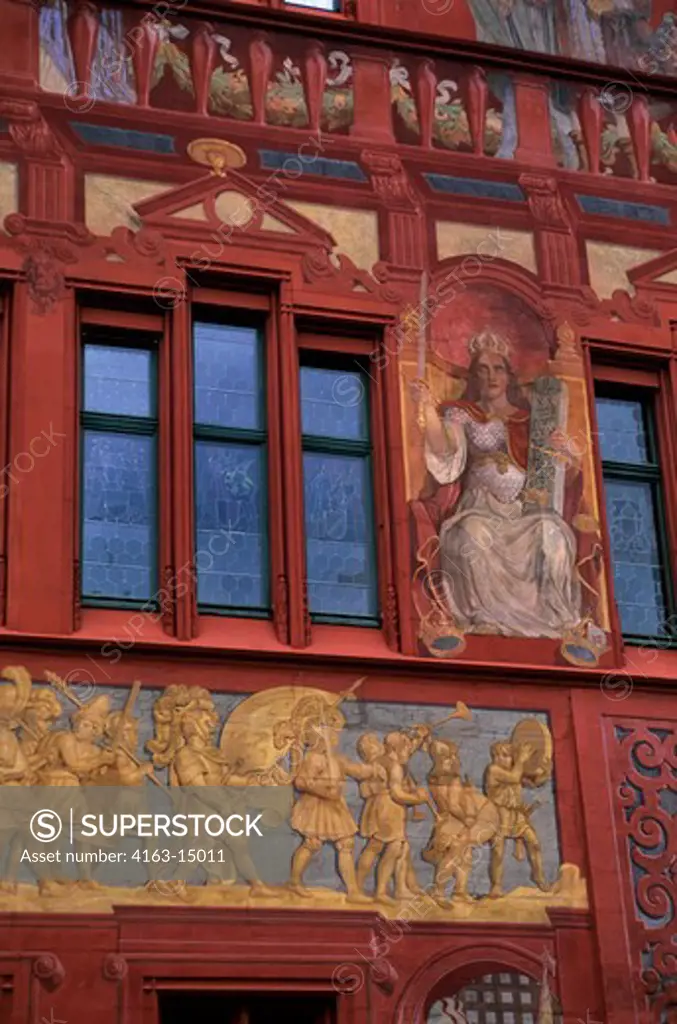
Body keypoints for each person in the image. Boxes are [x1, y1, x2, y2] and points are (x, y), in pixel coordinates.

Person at [413, 330, 581, 639]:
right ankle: (483, 618)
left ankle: (557, 619)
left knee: (553, 534)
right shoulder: (462, 414)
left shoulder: (530, 421)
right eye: (483, 369)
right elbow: (444, 450)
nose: (491, 376)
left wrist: (568, 450)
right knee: (471, 535)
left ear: (508, 376)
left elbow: (559, 474)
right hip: (479, 506)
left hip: (522, 511)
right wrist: (426, 408)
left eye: (498, 369)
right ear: (474, 376)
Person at [484, 741, 550, 897]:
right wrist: (521, 760)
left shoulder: (516, 771)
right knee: (498, 852)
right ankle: (496, 886)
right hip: (498, 815)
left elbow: (533, 783)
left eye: (505, 756)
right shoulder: (493, 770)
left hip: (516, 815)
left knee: (534, 843)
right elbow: (514, 778)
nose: (499, 759)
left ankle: (538, 876)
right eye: (496, 755)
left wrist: (544, 771)